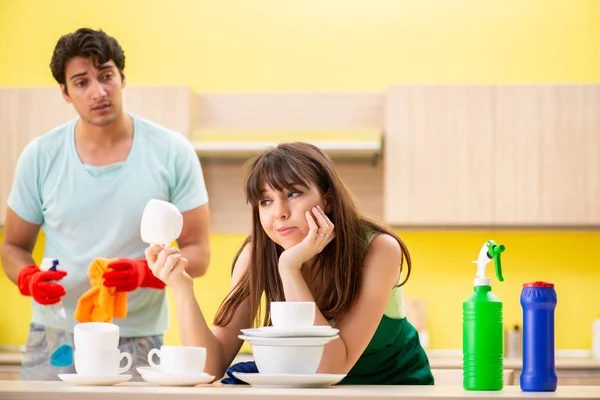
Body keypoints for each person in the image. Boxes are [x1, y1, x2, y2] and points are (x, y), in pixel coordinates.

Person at [0, 28, 211, 381]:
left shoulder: (172, 152)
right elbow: (12, 246)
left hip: (139, 335)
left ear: (122, 78)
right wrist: (26, 277)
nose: (98, 92)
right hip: (55, 333)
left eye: (106, 76)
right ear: (65, 93)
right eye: (81, 82)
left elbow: (199, 252)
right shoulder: (40, 156)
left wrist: (147, 274)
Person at [146, 142, 433, 385]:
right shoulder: (255, 255)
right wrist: (182, 288)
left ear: (328, 200)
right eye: (266, 201)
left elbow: (333, 367)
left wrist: (289, 268)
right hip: (311, 392)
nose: (279, 213)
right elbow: (208, 368)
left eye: (293, 194)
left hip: (395, 390)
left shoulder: (378, 250)